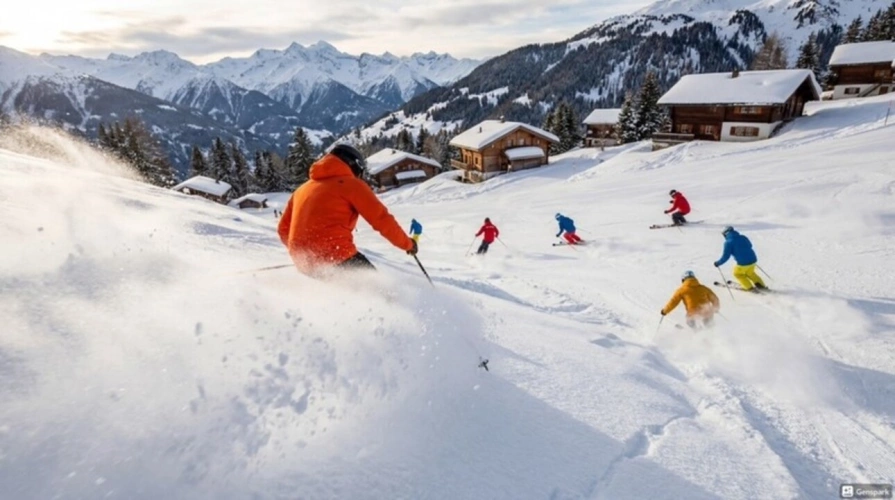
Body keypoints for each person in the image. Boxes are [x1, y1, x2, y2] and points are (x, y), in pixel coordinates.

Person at [277, 143, 417, 276]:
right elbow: (381, 219)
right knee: (382, 293)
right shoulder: (352, 185)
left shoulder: (302, 189)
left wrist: (304, 251)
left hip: (303, 262)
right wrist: (408, 244)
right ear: (354, 165)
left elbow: (283, 229)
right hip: (336, 255)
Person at [713, 226, 767, 292]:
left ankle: (749, 287)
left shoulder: (728, 243)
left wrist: (718, 263)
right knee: (750, 273)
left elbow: (726, 256)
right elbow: (750, 245)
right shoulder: (743, 237)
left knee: (738, 274)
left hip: (743, 263)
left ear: (726, 234)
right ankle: (761, 285)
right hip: (753, 259)